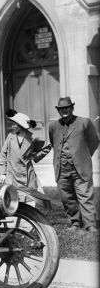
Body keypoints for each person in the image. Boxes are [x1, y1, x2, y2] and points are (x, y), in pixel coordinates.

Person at [48, 96, 99, 232]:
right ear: (58, 110)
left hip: (81, 167)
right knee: (67, 197)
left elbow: (94, 142)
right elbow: (54, 143)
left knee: (85, 195)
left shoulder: (84, 123)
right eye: (61, 108)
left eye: (67, 107)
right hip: (62, 168)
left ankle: (90, 224)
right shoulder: (53, 126)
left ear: (72, 108)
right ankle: (74, 222)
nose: (64, 110)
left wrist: (84, 156)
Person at [0, 109, 51, 203]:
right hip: (12, 176)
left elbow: (47, 146)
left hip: (27, 176)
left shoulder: (32, 137)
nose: (12, 126)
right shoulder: (10, 137)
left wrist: (34, 157)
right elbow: (3, 155)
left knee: (29, 202)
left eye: (15, 124)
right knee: (12, 202)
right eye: (12, 123)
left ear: (21, 125)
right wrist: (2, 173)